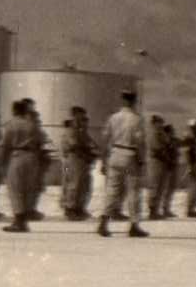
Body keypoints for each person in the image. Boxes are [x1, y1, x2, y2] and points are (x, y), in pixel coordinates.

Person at [99, 89, 149, 237]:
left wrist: (103, 160)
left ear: (122, 100)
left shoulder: (113, 117)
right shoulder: (137, 119)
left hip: (115, 153)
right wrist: (141, 160)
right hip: (129, 154)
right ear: (134, 101)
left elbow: (105, 139)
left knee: (112, 190)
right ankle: (134, 225)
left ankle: (104, 222)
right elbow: (139, 141)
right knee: (133, 191)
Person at [0, 100, 38, 233]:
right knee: (27, 189)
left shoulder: (11, 124)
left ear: (14, 111)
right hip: (31, 157)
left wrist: (2, 162)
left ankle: (19, 220)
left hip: (17, 156)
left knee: (15, 188)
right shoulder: (31, 124)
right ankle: (24, 219)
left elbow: (5, 144)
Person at [59, 106, 98, 220]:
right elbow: (74, 146)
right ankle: (70, 208)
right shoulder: (71, 129)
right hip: (74, 158)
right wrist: (88, 154)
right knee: (74, 184)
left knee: (84, 184)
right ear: (75, 115)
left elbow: (90, 143)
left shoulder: (81, 130)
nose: (84, 118)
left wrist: (92, 153)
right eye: (81, 115)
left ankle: (79, 207)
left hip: (82, 160)